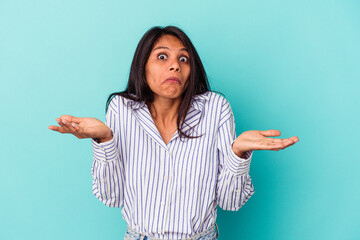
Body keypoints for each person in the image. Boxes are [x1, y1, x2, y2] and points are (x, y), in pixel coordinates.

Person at [48, 26, 299, 240]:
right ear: (142, 66)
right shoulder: (122, 109)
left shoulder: (216, 109)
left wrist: (238, 154)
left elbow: (230, 203)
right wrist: (104, 140)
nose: (174, 67)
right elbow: (111, 196)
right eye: (162, 57)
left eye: (183, 59)